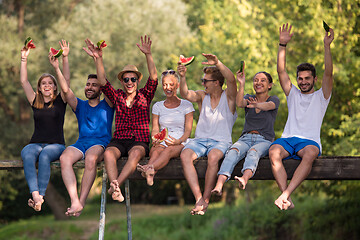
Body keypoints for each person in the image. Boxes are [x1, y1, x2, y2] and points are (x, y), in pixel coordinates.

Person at [83, 35, 158, 202]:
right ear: (123, 82)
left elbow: (153, 78)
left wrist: (148, 54)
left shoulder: (145, 95)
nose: (129, 82)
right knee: (109, 154)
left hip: (139, 140)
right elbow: (102, 81)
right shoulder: (117, 96)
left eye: (132, 79)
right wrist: (98, 58)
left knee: (136, 154)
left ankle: (115, 185)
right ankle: (116, 188)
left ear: (138, 80)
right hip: (119, 139)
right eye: (126, 79)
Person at [269, 23, 334, 210]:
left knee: (311, 154)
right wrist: (282, 45)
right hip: (288, 140)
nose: (303, 82)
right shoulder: (293, 94)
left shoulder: (322, 96)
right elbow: (281, 71)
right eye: (300, 78)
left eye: (307, 78)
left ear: (314, 79)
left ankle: (285, 195)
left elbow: (328, 72)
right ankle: (285, 197)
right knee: (273, 152)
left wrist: (327, 46)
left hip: (309, 142)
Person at [57, 42, 114, 217]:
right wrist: (62, 61)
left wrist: (98, 59)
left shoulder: (109, 104)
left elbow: (105, 82)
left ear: (101, 90)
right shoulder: (79, 105)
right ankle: (74, 200)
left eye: (94, 85)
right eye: (88, 84)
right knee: (64, 158)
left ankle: (81, 202)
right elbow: (65, 90)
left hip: (100, 143)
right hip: (81, 143)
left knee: (91, 159)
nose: (89, 87)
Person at [178, 53, 237, 215]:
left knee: (213, 157)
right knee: (185, 155)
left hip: (221, 142)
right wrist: (182, 77)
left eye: (206, 81)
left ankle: (206, 200)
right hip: (199, 141)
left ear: (217, 83)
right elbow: (185, 94)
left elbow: (231, 80)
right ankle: (198, 198)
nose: (203, 83)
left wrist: (218, 63)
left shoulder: (229, 97)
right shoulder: (202, 96)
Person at [212, 69, 279, 195]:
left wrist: (257, 105)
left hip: (264, 140)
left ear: (269, 85)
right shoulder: (249, 97)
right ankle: (219, 185)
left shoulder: (274, 99)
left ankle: (244, 178)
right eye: (256, 80)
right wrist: (241, 83)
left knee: (253, 152)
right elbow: (239, 103)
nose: (258, 82)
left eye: (263, 80)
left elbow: (269, 106)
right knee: (233, 151)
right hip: (245, 139)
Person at [20, 41, 69, 211]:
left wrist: (63, 60)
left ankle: (40, 195)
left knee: (45, 155)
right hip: (36, 143)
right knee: (26, 153)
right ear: (39, 88)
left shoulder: (61, 100)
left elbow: (67, 82)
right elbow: (24, 81)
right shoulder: (35, 100)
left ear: (55, 86)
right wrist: (24, 59)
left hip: (56, 145)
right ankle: (36, 196)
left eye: (50, 83)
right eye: (43, 84)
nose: (47, 85)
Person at [136, 70, 194, 186]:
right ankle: (150, 174)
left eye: (171, 85)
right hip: (163, 140)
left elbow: (188, 131)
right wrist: (155, 138)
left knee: (168, 151)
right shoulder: (157, 106)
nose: (168, 87)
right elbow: (155, 128)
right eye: (165, 84)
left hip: (181, 141)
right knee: (155, 150)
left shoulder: (187, 105)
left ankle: (148, 168)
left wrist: (178, 141)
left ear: (177, 85)